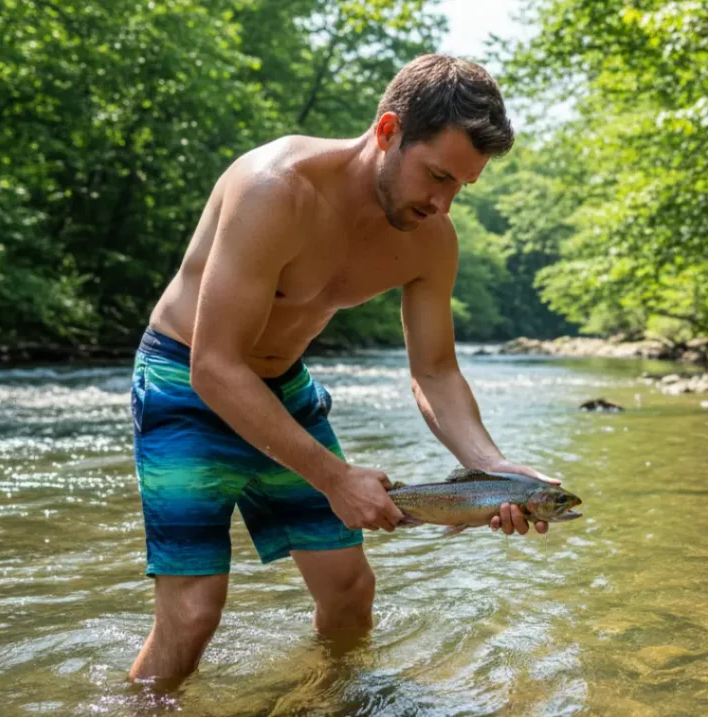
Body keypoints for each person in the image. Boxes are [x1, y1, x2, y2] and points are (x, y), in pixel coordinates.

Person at [127, 53, 561, 686]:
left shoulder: (432, 238)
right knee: (193, 614)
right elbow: (214, 367)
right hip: (185, 381)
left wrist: (492, 469)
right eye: (437, 175)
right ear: (387, 132)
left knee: (351, 596)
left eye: (460, 187)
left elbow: (435, 371)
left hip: (285, 387)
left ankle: (320, 703)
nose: (443, 203)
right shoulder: (275, 188)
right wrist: (335, 478)